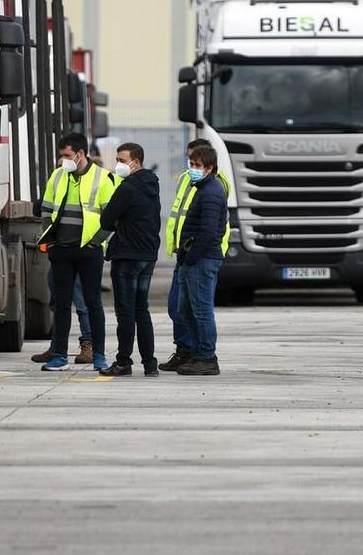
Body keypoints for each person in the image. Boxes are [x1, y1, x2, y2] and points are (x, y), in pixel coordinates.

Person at [37, 133, 116, 373]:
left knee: (93, 304)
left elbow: (111, 218)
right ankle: (59, 354)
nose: (62, 160)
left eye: (66, 155)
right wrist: (50, 242)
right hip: (61, 250)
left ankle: (99, 355)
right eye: (61, 155)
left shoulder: (103, 178)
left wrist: (95, 243)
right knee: (61, 305)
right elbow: (46, 209)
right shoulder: (58, 175)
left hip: (88, 251)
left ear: (80, 154)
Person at [163, 138, 231, 372]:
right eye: (191, 163)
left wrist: (191, 258)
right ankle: (194, 353)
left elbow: (208, 232)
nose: (192, 168)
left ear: (209, 168)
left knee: (201, 311)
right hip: (190, 260)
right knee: (184, 309)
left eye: (197, 165)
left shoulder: (211, 192)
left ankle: (207, 358)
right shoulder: (200, 188)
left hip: (201, 260)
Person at [97, 142, 162, 377]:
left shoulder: (127, 188)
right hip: (148, 255)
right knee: (141, 311)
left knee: (125, 313)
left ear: (136, 162)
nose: (118, 164)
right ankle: (150, 364)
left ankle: (123, 361)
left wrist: (119, 223)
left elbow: (106, 219)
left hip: (127, 255)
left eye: (122, 160)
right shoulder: (152, 185)